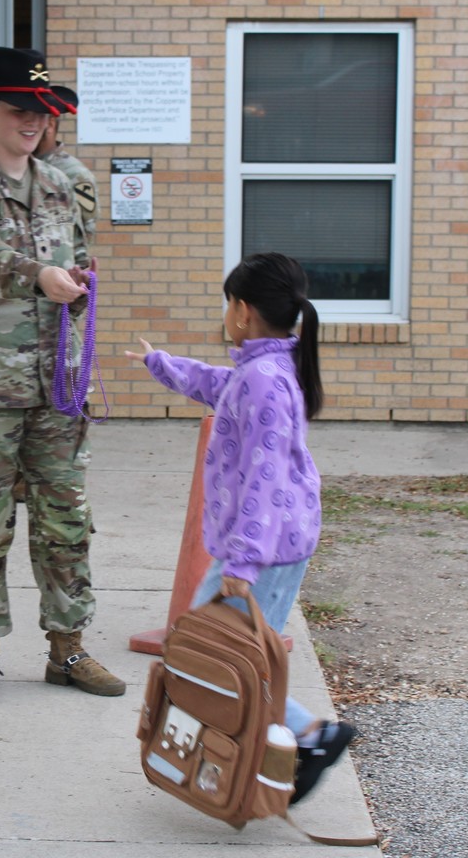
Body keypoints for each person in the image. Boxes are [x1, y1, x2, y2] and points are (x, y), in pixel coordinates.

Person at [0, 46, 125, 701]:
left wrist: (78, 305)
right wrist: (41, 277)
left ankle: (67, 651)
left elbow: (81, 259)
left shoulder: (63, 182)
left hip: (56, 387)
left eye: (40, 109)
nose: (31, 121)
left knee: (67, 520)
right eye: (18, 109)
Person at [125, 252, 355, 805]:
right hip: (265, 547)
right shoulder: (262, 371)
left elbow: (265, 480)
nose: (226, 311)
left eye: (229, 302)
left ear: (244, 311)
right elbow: (220, 385)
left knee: (223, 659)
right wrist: (164, 365)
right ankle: (283, 748)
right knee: (226, 656)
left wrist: (244, 565)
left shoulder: (268, 383)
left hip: (266, 553)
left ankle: (309, 738)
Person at [35, 106, 98, 246]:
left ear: (50, 124)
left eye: (36, 119)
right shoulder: (20, 168)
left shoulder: (75, 174)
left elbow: (86, 232)